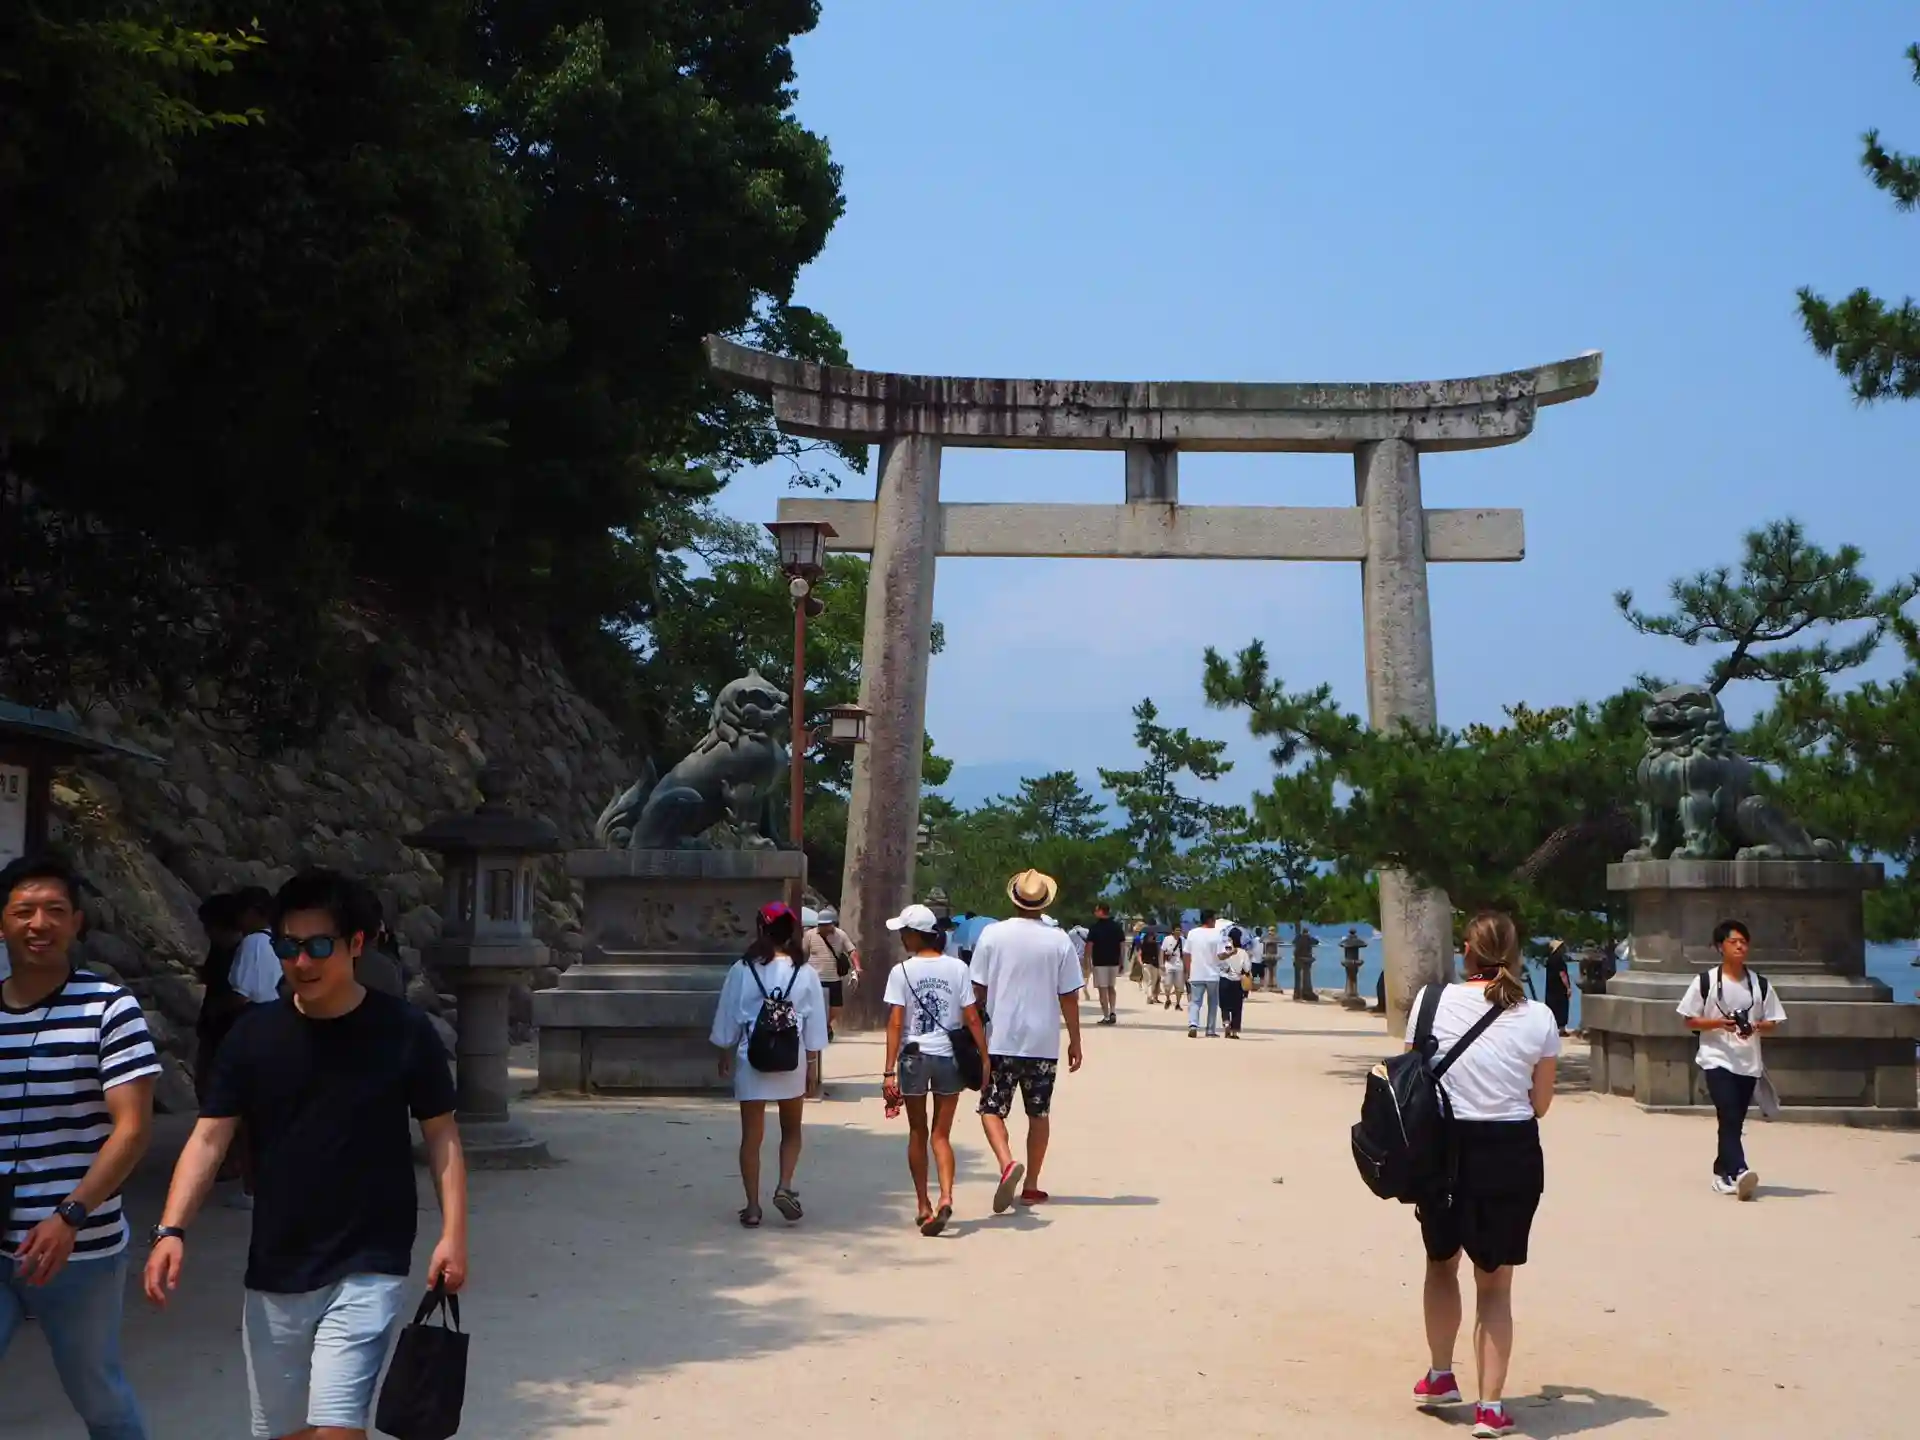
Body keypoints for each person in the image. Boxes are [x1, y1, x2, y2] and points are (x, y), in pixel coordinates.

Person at [144, 868, 467, 1440]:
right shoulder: (252, 1036)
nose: (301, 962)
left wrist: (453, 1235)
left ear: (356, 944)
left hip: (370, 1260)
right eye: (288, 947)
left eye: (319, 946)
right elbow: (209, 1138)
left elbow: (442, 1135)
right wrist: (171, 1229)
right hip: (277, 1264)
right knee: (288, 1433)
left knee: (337, 1430)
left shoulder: (404, 1031)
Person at [0, 855, 159, 1440]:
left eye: (54, 911)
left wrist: (70, 1214)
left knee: (98, 1395)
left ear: (76, 923)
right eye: (24, 911)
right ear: (1, 922)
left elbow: (132, 1130)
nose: (38, 924)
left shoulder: (108, 1008)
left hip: (79, 1247)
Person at [1408, 911, 1559, 1439]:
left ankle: (1440, 1375)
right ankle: (1490, 1407)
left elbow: (1413, 1085)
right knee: (1495, 1285)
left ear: (1466, 951)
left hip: (1444, 1153)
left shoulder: (1430, 1003)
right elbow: (1540, 1104)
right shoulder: (1539, 1017)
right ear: (1514, 954)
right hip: (1509, 1153)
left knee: (1441, 1265)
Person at [970, 870, 1084, 1211]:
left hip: (1000, 1039)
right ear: (1044, 902)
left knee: (991, 1109)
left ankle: (1007, 1163)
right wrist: (1075, 1040)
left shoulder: (992, 935)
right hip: (1042, 1042)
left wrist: (971, 1032)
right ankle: (1031, 1185)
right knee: (1039, 1113)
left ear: (1014, 899)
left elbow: (977, 990)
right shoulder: (1059, 940)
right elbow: (1069, 996)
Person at [711, 902, 828, 1226]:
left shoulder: (742, 969)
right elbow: (815, 1023)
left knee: (751, 1136)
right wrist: (812, 1063)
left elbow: (728, 1014)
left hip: (753, 1057)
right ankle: (784, 1186)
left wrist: (724, 1051)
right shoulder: (804, 972)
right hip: (791, 1058)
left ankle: (752, 1207)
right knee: (791, 1129)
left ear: (761, 929)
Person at [880, 904, 989, 1236]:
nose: (901, 937)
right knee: (941, 1135)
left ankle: (923, 1204)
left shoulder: (901, 971)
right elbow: (972, 1016)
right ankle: (946, 1196)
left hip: (914, 1056)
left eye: (904, 932)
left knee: (918, 1131)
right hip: (948, 1057)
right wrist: (985, 1057)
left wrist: (888, 1071)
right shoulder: (957, 968)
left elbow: (895, 1022)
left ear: (916, 935)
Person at [1676, 919, 1785, 1199]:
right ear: (1719, 946)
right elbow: (1689, 1020)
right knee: (1728, 1112)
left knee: (1733, 1121)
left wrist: (1756, 1026)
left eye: (1744, 942)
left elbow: (1774, 1021)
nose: (1740, 947)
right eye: (1733, 941)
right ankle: (1740, 1170)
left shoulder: (1759, 984)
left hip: (1748, 1062)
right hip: (1716, 1058)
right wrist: (1718, 1024)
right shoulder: (1706, 982)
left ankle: (1720, 1172)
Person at [802, 907, 858, 1041]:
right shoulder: (809, 935)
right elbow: (803, 953)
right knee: (815, 1005)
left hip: (834, 977)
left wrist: (857, 967)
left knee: (836, 1007)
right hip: (815, 978)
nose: (825, 928)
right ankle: (820, 1028)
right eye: (822, 925)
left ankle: (826, 1024)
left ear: (832, 923)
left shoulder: (841, 935)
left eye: (827, 924)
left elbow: (852, 951)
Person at [227, 885, 281, 1006]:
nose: (238, 921)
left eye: (239, 914)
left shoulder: (252, 942)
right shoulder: (278, 940)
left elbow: (240, 995)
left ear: (252, 912)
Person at [1085, 903, 1126, 1026]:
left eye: (1096, 910)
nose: (1095, 912)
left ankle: (1106, 1016)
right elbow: (1122, 945)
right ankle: (1112, 1011)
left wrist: (1087, 961)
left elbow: (1089, 946)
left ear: (1101, 911)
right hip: (1114, 962)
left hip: (1099, 962)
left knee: (1102, 989)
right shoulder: (1117, 927)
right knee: (1111, 987)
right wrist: (1122, 961)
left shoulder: (1095, 928)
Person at [1184, 910, 1223, 1038]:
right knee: (1213, 1003)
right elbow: (1220, 955)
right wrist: (1230, 954)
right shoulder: (1218, 934)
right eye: (1215, 919)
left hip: (1196, 973)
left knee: (1195, 1002)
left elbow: (1187, 954)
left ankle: (1193, 1024)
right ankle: (1210, 1030)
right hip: (1213, 975)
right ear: (1210, 920)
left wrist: (1188, 971)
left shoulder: (1192, 933)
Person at [1216, 925, 1252, 1038]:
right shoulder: (1243, 952)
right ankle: (1234, 1031)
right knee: (1237, 1007)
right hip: (1237, 982)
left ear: (1230, 938)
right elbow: (1247, 968)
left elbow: (1219, 963)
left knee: (1224, 1004)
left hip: (1224, 980)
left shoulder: (1225, 949)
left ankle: (1226, 1022)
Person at [1540, 940, 1572, 1037]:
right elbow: (1562, 974)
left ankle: (1551, 1029)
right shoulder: (1559, 960)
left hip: (1550, 987)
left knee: (1552, 1007)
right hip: (1559, 988)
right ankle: (1561, 1029)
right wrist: (1568, 987)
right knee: (1562, 1007)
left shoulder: (1550, 959)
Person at [1136, 923, 1163, 1004]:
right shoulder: (1144, 945)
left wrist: (1161, 964)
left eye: (1152, 935)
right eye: (1150, 935)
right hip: (1146, 964)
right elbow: (1139, 954)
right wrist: (1141, 963)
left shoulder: (1156, 945)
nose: (1152, 936)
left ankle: (1150, 996)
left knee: (1153, 981)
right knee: (1149, 980)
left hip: (1155, 964)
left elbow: (1159, 954)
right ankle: (1149, 997)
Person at [1160, 925, 1186, 1010]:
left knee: (1179, 986)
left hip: (1179, 965)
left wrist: (1186, 967)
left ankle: (1178, 1003)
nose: (1178, 932)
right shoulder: (1167, 939)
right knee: (1167, 984)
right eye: (1177, 930)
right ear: (1173, 931)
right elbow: (1162, 951)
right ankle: (1168, 999)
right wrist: (1161, 963)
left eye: (1180, 930)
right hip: (1169, 964)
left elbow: (1186, 953)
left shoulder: (1183, 940)